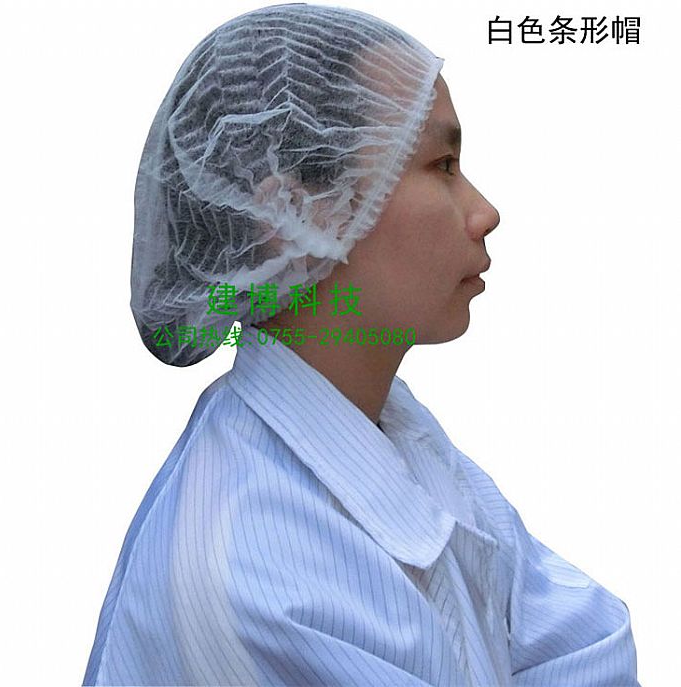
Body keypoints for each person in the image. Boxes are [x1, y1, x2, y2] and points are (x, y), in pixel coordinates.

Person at [83, 4, 640, 685]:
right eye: (442, 164)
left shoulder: (391, 428)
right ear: (294, 214)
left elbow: (590, 639)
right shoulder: (256, 576)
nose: (484, 212)